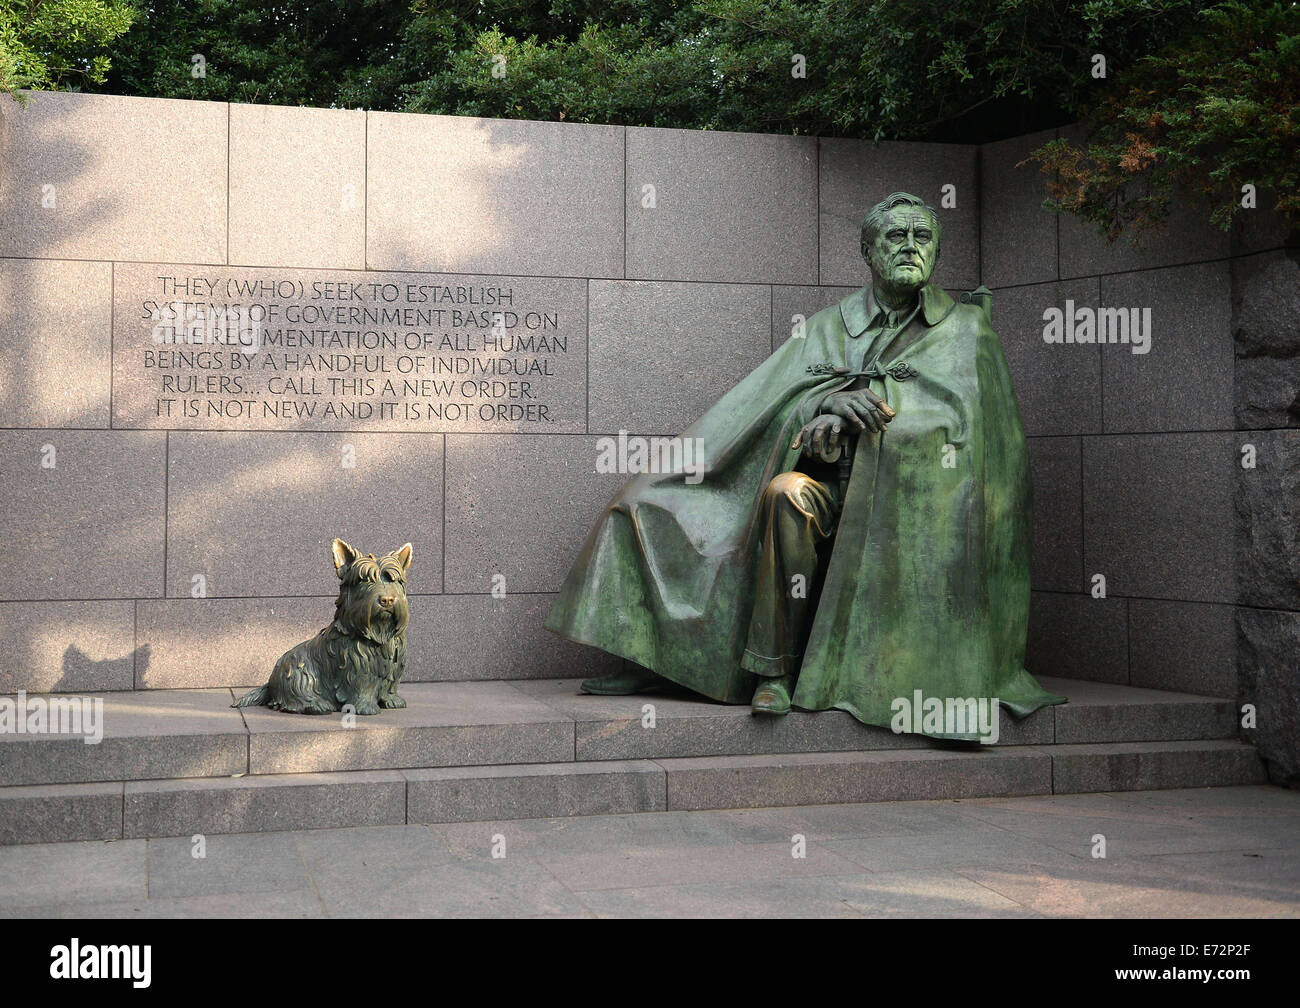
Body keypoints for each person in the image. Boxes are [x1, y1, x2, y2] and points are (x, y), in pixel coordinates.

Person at [545, 192, 1065, 739]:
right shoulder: (826, 326)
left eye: (923, 237)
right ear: (867, 251)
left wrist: (864, 419)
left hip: (911, 506)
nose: (911, 247)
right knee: (693, 499)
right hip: (828, 490)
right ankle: (723, 666)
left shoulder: (967, 331)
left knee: (788, 494)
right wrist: (819, 406)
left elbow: (978, 444)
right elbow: (764, 404)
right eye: (896, 237)